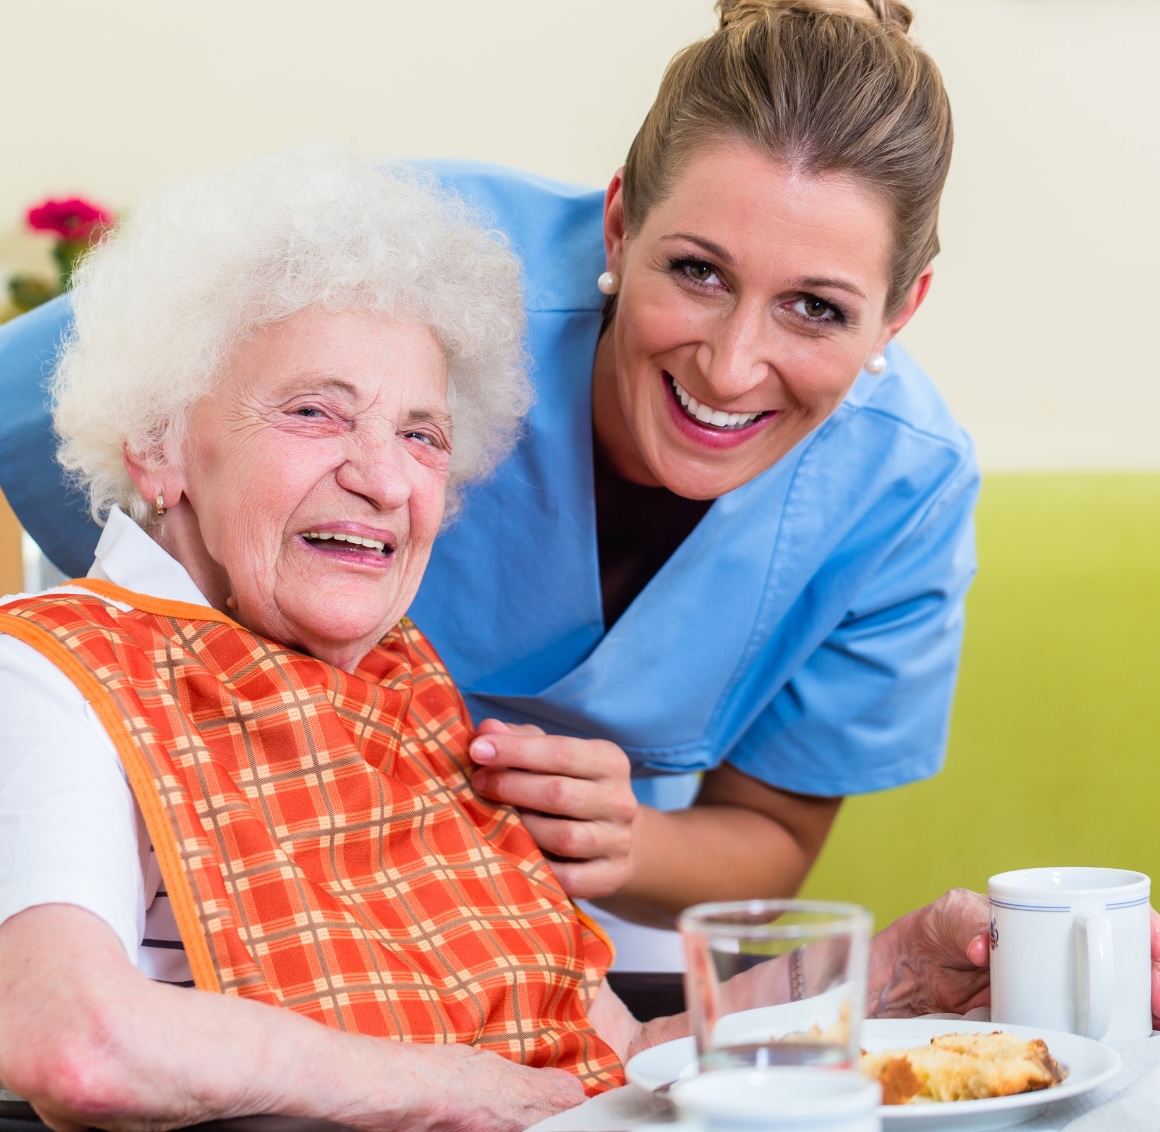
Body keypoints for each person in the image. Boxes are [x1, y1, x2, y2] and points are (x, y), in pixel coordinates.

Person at [0, 144, 1012, 1132]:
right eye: (314, 410)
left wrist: (897, 973)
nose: (385, 480)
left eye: (421, 434)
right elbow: (72, 1041)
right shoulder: (50, 674)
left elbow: (612, 1056)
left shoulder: (404, 694)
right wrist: (442, 1087)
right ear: (159, 440)